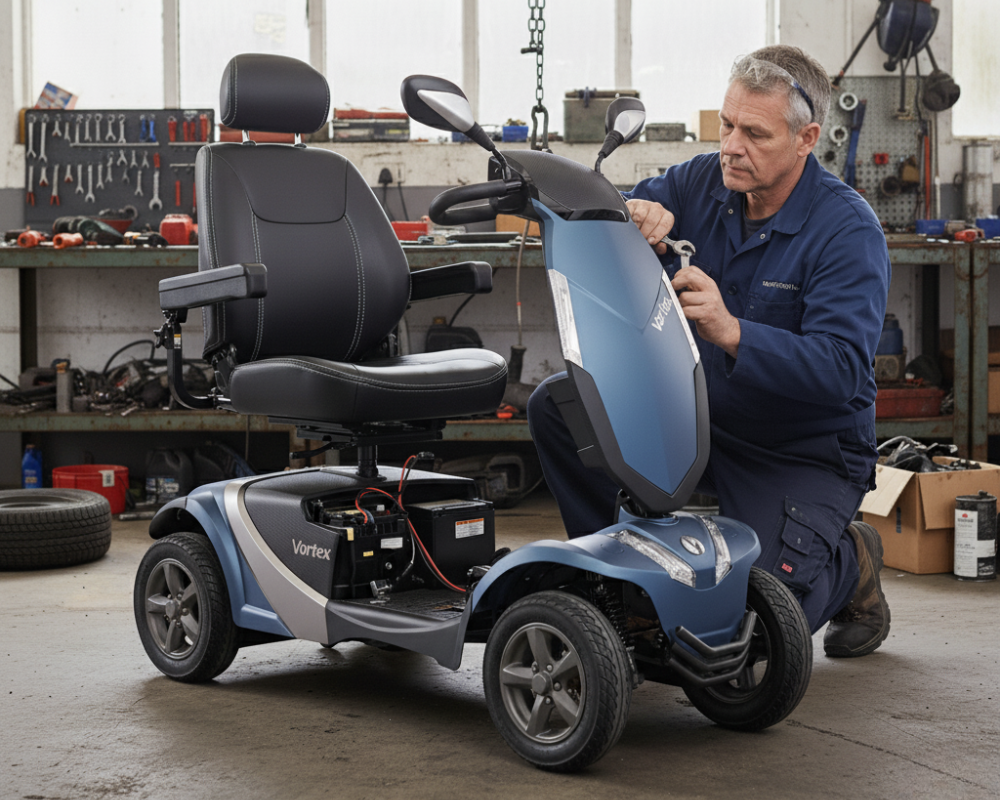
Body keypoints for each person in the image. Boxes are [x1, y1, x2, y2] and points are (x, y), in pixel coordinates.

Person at [527, 45, 892, 658]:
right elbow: (618, 214)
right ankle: (619, 587)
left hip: (799, 447)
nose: (731, 146)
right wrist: (633, 214)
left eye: (754, 133)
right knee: (558, 406)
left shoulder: (847, 232)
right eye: (726, 125)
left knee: (745, 635)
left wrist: (733, 330)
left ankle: (851, 560)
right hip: (697, 415)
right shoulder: (701, 180)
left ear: (806, 138)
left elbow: (843, 371)